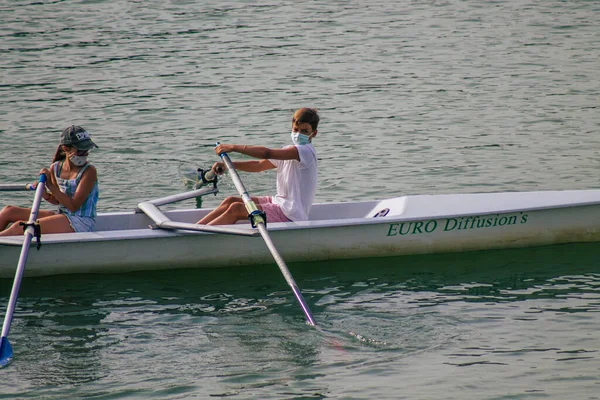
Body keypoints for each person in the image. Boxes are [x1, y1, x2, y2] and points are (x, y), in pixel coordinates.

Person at [198, 107, 319, 226]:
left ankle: (197, 238)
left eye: (305, 131)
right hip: (279, 202)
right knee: (230, 201)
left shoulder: (305, 151)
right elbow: (259, 165)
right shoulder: (287, 151)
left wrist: (233, 147)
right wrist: (229, 165)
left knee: (236, 209)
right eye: (296, 129)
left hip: (290, 214)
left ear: (314, 134)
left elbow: (266, 153)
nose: (299, 134)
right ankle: (196, 229)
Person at [0, 125, 99, 236]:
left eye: (87, 150)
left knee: (20, 227)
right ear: (66, 149)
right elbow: (57, 200)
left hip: (81, 221)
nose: (85, 155)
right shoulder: (56, 167)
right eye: (80, 151)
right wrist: (44, 194)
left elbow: (73, 206)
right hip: (62, 215)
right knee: (9, 211)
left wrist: (51, 185)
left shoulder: (89, 171)